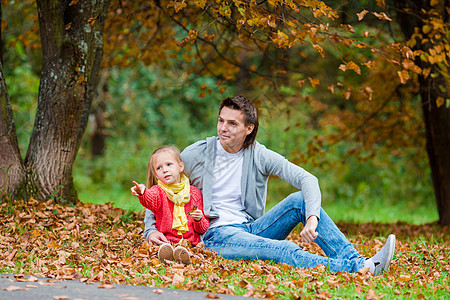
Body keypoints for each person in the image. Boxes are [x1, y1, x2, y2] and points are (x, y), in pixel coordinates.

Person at [144, 96, 395, 274]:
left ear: (248, 129)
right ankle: (361, 267)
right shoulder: (196, 153)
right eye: (221, 121)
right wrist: (149, 229)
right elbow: (161, 187)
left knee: (299, 200)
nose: (223, 128)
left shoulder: (258, 154)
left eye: (232, 124)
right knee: (284, 249)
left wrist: (312, 218)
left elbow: (308, 179)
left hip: (251, 228)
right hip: (217, 235)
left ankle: (356, 260)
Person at [132, 146, 209, 264]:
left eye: (169, 164)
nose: (165, 170)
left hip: (190, 242)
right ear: (156, 175)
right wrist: (143, 192)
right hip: (166, 241)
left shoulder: (194, 193)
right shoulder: (158, 192)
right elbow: (150, 200)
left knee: (187, 249)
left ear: (180, 167)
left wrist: (198, 220)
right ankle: (168, 254)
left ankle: (183, 255)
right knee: (166, 248)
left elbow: (203, 227)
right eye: (159, 168)